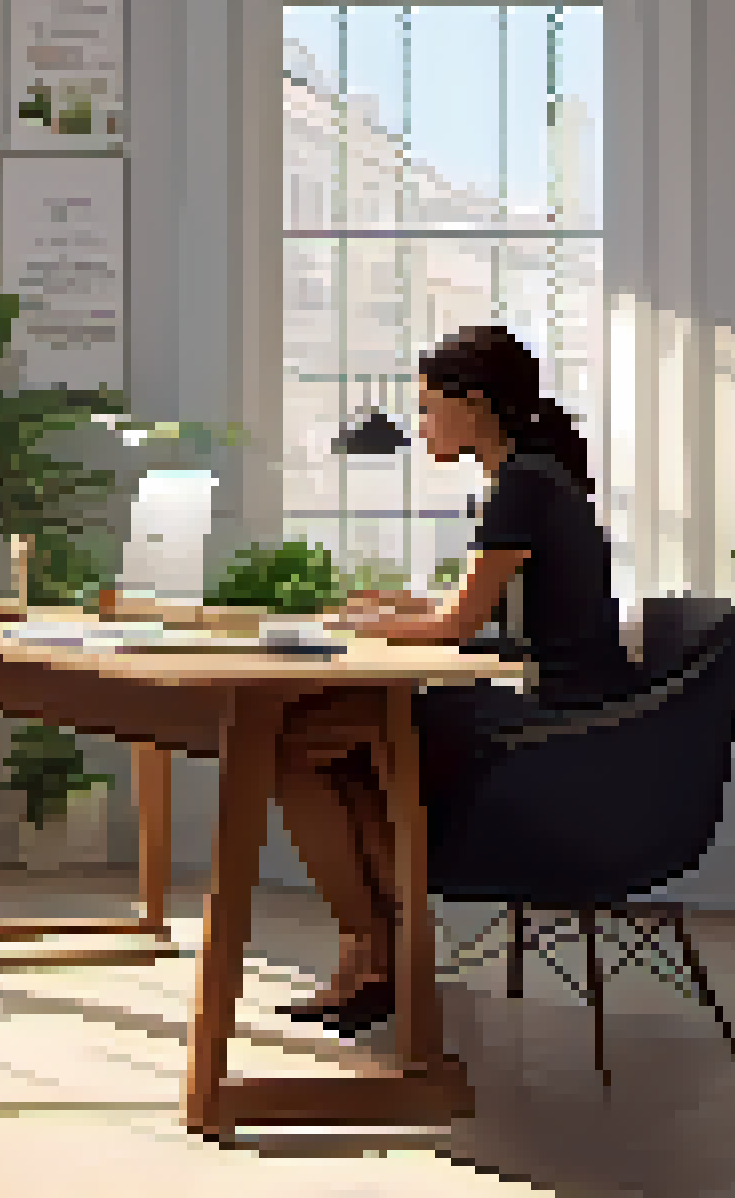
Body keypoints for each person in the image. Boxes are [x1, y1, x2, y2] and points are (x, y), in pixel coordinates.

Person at [272, 324, 644, 1036]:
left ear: (473, 406)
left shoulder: (523, 485)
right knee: (339, 753)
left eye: (426, 407)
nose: (419, 426)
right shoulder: (527, 475)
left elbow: (455, 627)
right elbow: (478, 606)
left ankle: (373, 951)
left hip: (556, 719)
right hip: (562, 702)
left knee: (296, 746)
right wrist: (387, 608)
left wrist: (350, 629)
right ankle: (384, 960)